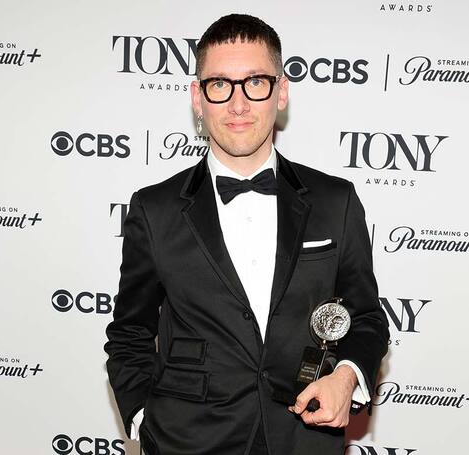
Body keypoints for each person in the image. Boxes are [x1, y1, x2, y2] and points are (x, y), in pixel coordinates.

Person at [104, 13, 389, 455]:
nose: (238, 104)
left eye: (255, 82)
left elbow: (367, 318)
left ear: (281, 91)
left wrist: (347, 375)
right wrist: (147, 419)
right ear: (198, 97)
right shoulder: (154, 208)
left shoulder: (337, 201)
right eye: (220, 85)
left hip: (304, 438)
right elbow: (130, 333)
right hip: (187, 442)